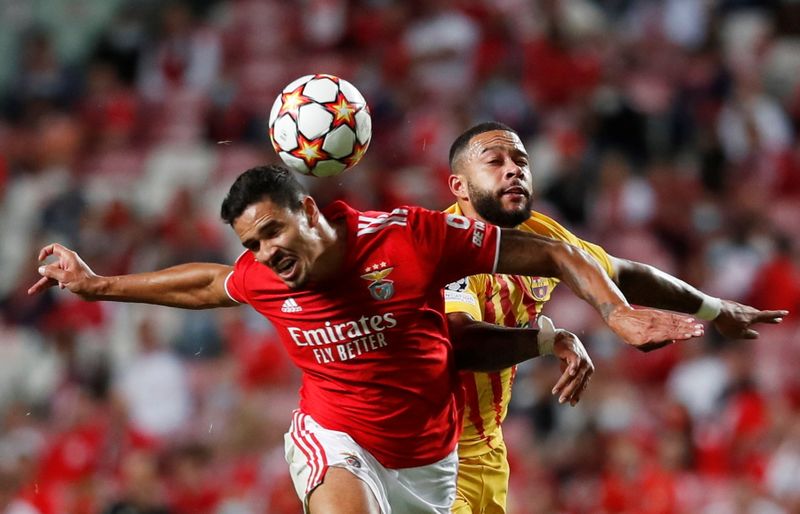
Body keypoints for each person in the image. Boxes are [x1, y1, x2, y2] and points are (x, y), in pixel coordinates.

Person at [28, 165, 703, 514]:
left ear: (310, 211)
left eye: (273, 232)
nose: (266, 253)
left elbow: (547, 256)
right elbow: (208, 283)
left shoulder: (409, 239)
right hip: (335, 438)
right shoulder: (267, 278)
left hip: (430, 466)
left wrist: (609, 316)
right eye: (253, 244)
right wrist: (99, 286)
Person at [442, 121, 790, 514]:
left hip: (487, 452)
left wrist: (713, 308)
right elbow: (460, 340)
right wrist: (547, 341)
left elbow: (625, 274)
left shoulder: (541, 235)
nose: (514, 169)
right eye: (495, 161)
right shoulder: (444, 247)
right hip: (432, 449)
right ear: (459, 187)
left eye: (521, 160)